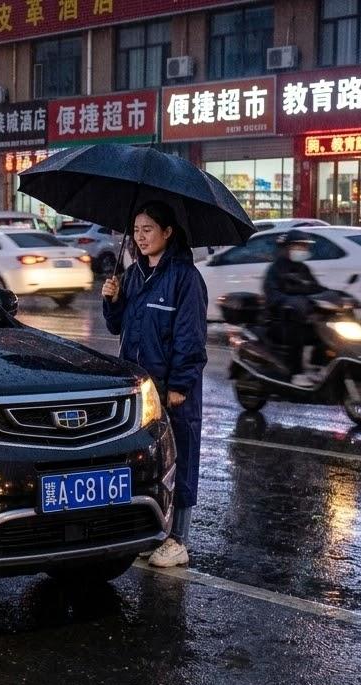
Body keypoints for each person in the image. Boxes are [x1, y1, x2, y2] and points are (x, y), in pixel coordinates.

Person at [101, 201, 208, 569]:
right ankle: (155, 532)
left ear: (168, 232)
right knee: (147, 460)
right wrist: (112, 300)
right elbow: (118, 328)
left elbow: (190, 338)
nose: (140, 237)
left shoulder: (185, 279)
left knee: (181, 458)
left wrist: (180, 386)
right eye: (136, 230)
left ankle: (179, 540)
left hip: (172, 390)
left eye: (148, 229)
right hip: (140, 390)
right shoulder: (133, 276)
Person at [262, 231, 326, 386]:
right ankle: (295, 373)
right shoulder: (275, 269)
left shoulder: (303, 269)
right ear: (287, 248)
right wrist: (291, 301)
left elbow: (316, 288)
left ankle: (318, 366)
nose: (303, 250)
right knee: (296, 330)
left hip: (302, 316)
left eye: (305, 247)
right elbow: (272, 295)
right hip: (280, 320)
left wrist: (337, 296)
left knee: (328, 328)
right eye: (299, 246)